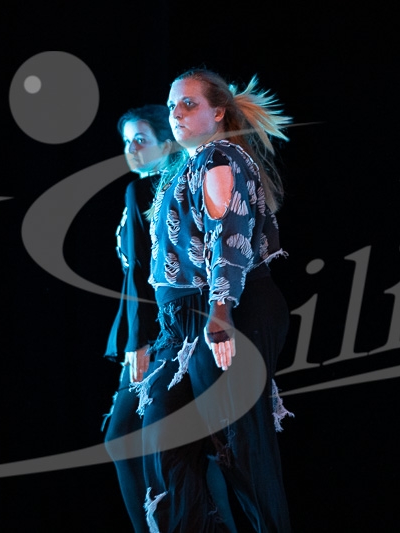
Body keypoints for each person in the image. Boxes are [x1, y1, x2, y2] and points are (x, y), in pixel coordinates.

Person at [132, 68, 294, 532]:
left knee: (240, 449)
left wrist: (221, 311)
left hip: (224, 308)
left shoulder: (220, 157)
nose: (175, 113)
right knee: (165, 443)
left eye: (188, 104)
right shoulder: (185, 165)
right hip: (181, 323)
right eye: (171, 105)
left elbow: (230, 235)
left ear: (218, 112)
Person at [102, 104, 186, 532]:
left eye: (141, 140)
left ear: (166, 145)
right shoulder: (163, 187)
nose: (131, 150)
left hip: (158, 333)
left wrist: (138, 341)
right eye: (126, 142)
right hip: (167, 328)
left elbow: (142, 274)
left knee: (124, 439)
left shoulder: (145, 191)